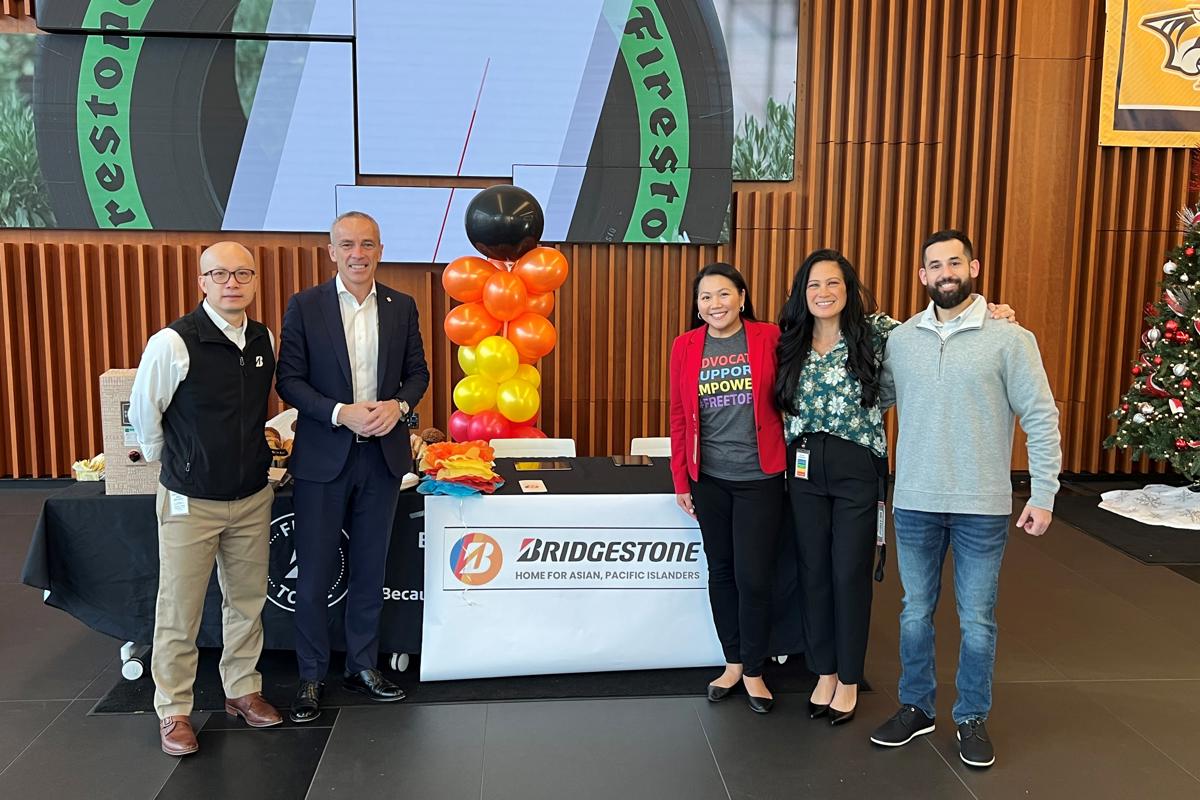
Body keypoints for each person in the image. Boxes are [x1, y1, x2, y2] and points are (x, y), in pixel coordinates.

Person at [774, 249, 1017, 728]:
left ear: (848, 289)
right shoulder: (788, 341)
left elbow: (940, 324)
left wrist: (994, 313)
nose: (823, 293)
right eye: (814, 285)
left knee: (849, 573)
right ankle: (822, 671)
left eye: (833, 284)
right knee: (813, 571)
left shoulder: (882, 333)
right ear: (803, 294)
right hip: (802, 466)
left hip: (856, 466)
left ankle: (847, 677)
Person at [870, 230, 1060, 768]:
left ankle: (972, 717)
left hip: (982, 504)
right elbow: (871, 395)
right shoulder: (902, 340)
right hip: (914, 502)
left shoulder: (1009, 337)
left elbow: (1041, 416)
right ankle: (916, 708)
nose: (945, 271)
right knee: (914, 613)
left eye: (955, 262)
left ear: (973, 267)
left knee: (977, 618)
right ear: (922, 276)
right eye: (935, 264)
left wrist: (1044, 492)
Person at [128, 241, 282, 756]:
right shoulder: (173, 342)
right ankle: (173, 710)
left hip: (252, 494)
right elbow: (145, 414)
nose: (232, 282)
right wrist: (173, 463)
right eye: (220, 274)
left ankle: (242, 689)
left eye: (242, 273)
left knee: (246, 600)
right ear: (202, 282)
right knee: (180, 607)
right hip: (190, 500)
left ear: (255, 280)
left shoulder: (263, 337)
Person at [276, 211, 430, 723]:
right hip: (324, 457)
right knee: (316, 572)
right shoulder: (305, 306)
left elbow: (418, 374)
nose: (358, 253)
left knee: (369, 570)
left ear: (380, 250)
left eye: (367, 244)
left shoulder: (402, 306)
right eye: (347, 245)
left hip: (383, 457)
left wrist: (399, 408)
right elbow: (290, 381)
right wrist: (340, 413)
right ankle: (311, 676)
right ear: (331, 251)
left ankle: (363, 667)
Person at [669, 261, 786, 713]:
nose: (714, 304)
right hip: (710, 480)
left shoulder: (769, 337)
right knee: (720, 571)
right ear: (697, 307)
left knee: (754, 576)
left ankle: (755, 670)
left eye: (723, 294)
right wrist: (682, 479)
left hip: (761, 478)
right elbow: (680, 418)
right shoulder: (685, 346)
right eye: (705, 297)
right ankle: (732, 662)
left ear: (741, 297)